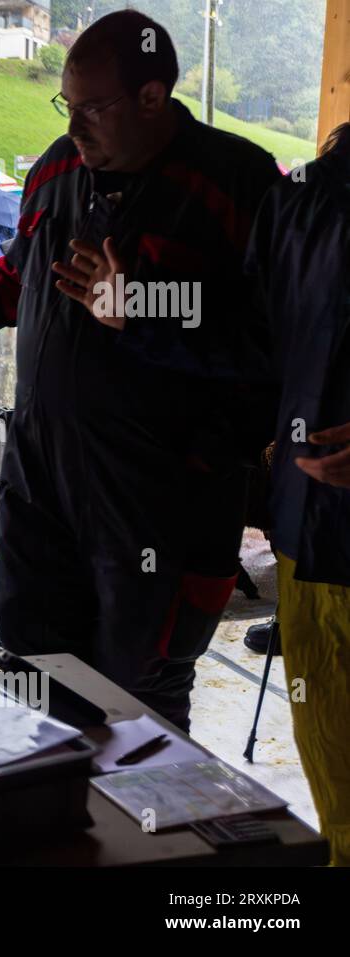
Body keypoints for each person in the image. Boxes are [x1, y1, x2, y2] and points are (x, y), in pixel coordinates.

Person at [0, 11, 279, 732]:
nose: (75, 127)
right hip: (42, 487)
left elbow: (274, 347)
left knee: (139, 711)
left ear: (153, 97)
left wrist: (146, 306)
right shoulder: (57, 169)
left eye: (92, 108)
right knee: (34, 683)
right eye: (66, 106)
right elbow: (14, 277)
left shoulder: (240, 184)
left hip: (166, 508)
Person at [246, 123, 350, 866]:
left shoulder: (296, 204)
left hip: (306, 533)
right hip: (310, 536)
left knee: (335, 761)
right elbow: (250, 352)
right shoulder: (295, 206)